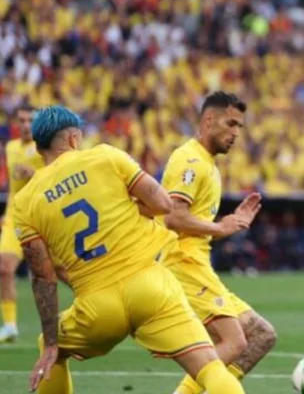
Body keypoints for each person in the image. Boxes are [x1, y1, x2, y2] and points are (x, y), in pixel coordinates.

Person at [13, 106, 245, 394]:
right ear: (74, 138)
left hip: (97, 304)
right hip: (150, 286)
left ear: (38, 147)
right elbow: (163, 204)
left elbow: (43, 277)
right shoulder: (105, 156)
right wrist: (128, 207)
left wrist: (49, 343)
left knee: (54, 348)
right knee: (209, 367)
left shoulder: (24, 202)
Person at [160, 92, 277, 394]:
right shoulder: (190, 160)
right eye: (231, 124)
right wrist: (219, 228)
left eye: (240, 126)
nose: (236, 133)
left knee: (262, 336)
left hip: (197, 266)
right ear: (209, 120)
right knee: (235, 341)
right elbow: (172, 216)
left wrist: (226, 223)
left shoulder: (208, 164)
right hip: (182, 264)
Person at [0, 104, 44, 342]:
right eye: (22, 120)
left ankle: (93, 307)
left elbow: (59, 178)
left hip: (41, 219)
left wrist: (35, 174)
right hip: (14, 217)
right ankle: (9, 326)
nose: (26, 125)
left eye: (31, 120)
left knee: (61, 273)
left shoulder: (45, 147)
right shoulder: (11, 147)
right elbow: (13, 186)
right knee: (4, 269)